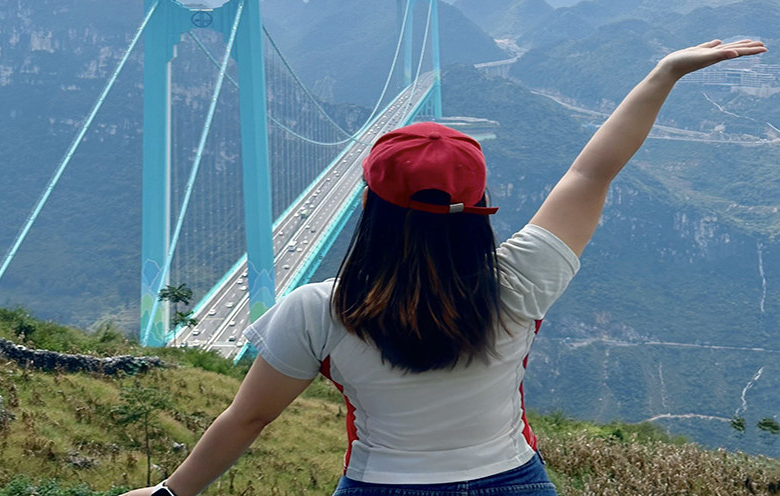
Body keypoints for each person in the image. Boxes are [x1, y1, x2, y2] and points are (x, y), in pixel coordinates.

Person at [118, 38, 767, 496]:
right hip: (515, 482)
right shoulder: (522, 278)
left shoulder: (318, 310)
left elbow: (250, 419)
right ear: (478, 206)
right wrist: (664, 73)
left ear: (371, 204)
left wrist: (171, 494)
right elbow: (592, 170)